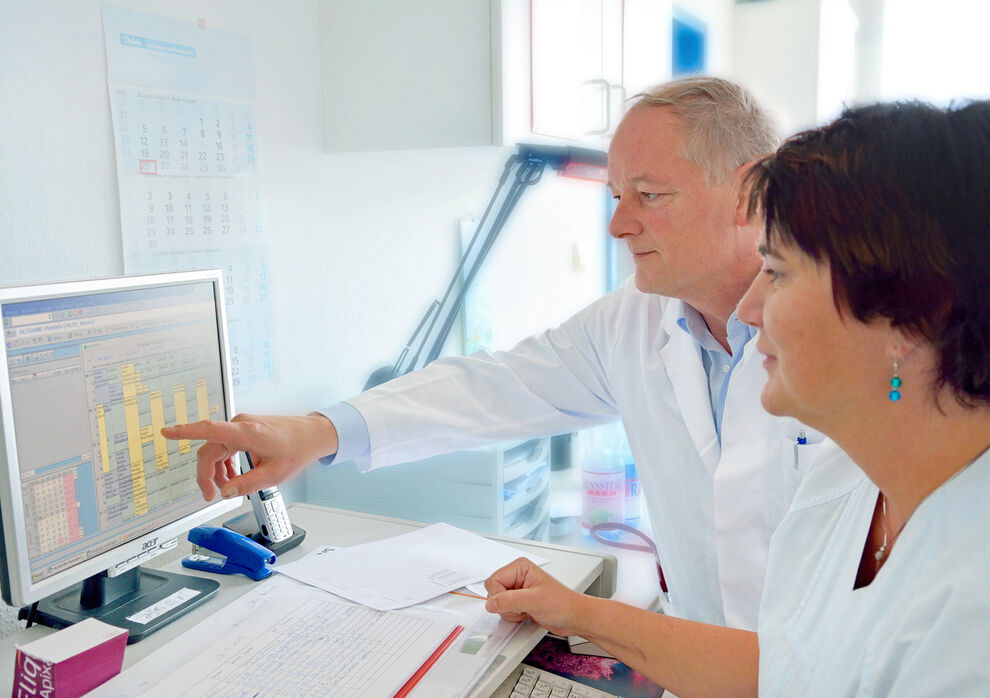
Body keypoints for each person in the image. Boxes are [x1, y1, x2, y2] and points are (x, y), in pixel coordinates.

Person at [163, 77, 814, 631]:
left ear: (750, 192)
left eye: (649, 195)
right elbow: (497, 387)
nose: (619, 225)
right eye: (617, 197)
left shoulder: (847, 335)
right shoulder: (637, 323)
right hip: (696, 669)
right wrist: (318, 432)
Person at [484, 100, 990, 695]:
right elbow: (782, 671)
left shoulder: (969, 611)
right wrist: (575, 612)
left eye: (778, 272)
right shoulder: (847, 481)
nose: (750, 309)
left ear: (910, 313)